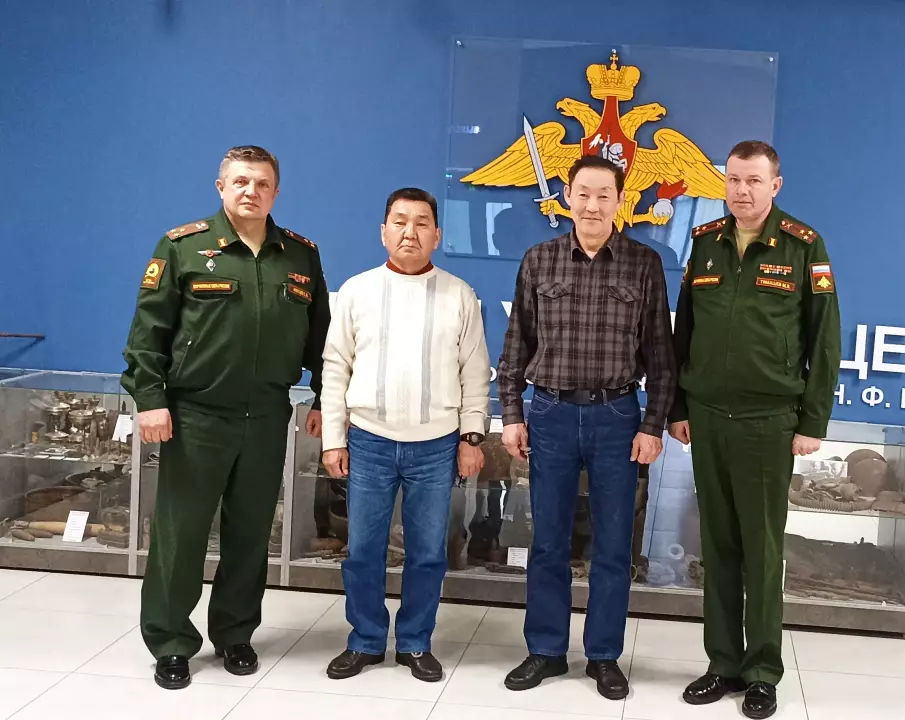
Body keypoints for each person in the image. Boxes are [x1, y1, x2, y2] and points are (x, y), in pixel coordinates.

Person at [121, 145, 330, 690]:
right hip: (196, 415)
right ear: (221, 187)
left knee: (251, 533)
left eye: (261, 183)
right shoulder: (183, 247)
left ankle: (236, 634)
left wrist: (325, 399)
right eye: (240, 181)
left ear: (276, 192)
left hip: (266, 417)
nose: (250, 191)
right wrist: (150, 398)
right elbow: (148, 333)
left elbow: (322, 340)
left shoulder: (300, 255)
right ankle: (171, 641)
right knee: (181, 534)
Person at [668, 140, 841, 719]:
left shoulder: (803, 245)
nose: (741, 191)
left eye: (753, 181)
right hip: (708, 416)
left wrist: (812, 420)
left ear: (775, 185)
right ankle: (722, 663)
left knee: (763, 551)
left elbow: (824, 338)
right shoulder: (705, 242)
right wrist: (677, 406)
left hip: (769, 420)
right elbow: (684, 333)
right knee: (717, 545)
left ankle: (762, 671)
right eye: (733, 180)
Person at [497, 155, 676, 701]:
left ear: (620, 200)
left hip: (617, 417)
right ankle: (546, 650)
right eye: (583, 194)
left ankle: (603, 656)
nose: (593, 205)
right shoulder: (539, 260)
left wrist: (652, 424)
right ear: (567, 198)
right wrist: (511, 414)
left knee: (613, 544)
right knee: (548, 540)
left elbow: (661, 356)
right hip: (549, 414)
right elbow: (516, 346)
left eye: (604, 195)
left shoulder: (644, 264)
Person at [319, 187, 491, 683]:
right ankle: (366, 639)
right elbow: (335, 368)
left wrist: (472, 438)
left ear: (437, 234)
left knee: (428, 553)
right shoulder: (356, 291)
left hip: (436, 446)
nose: (409, 232)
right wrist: (334, 439)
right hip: (368, 442)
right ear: (383, 232)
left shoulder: (459, 295)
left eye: (421, 223)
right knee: (362, 551)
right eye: (399, 221)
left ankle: (415, 641)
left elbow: (475, 373)